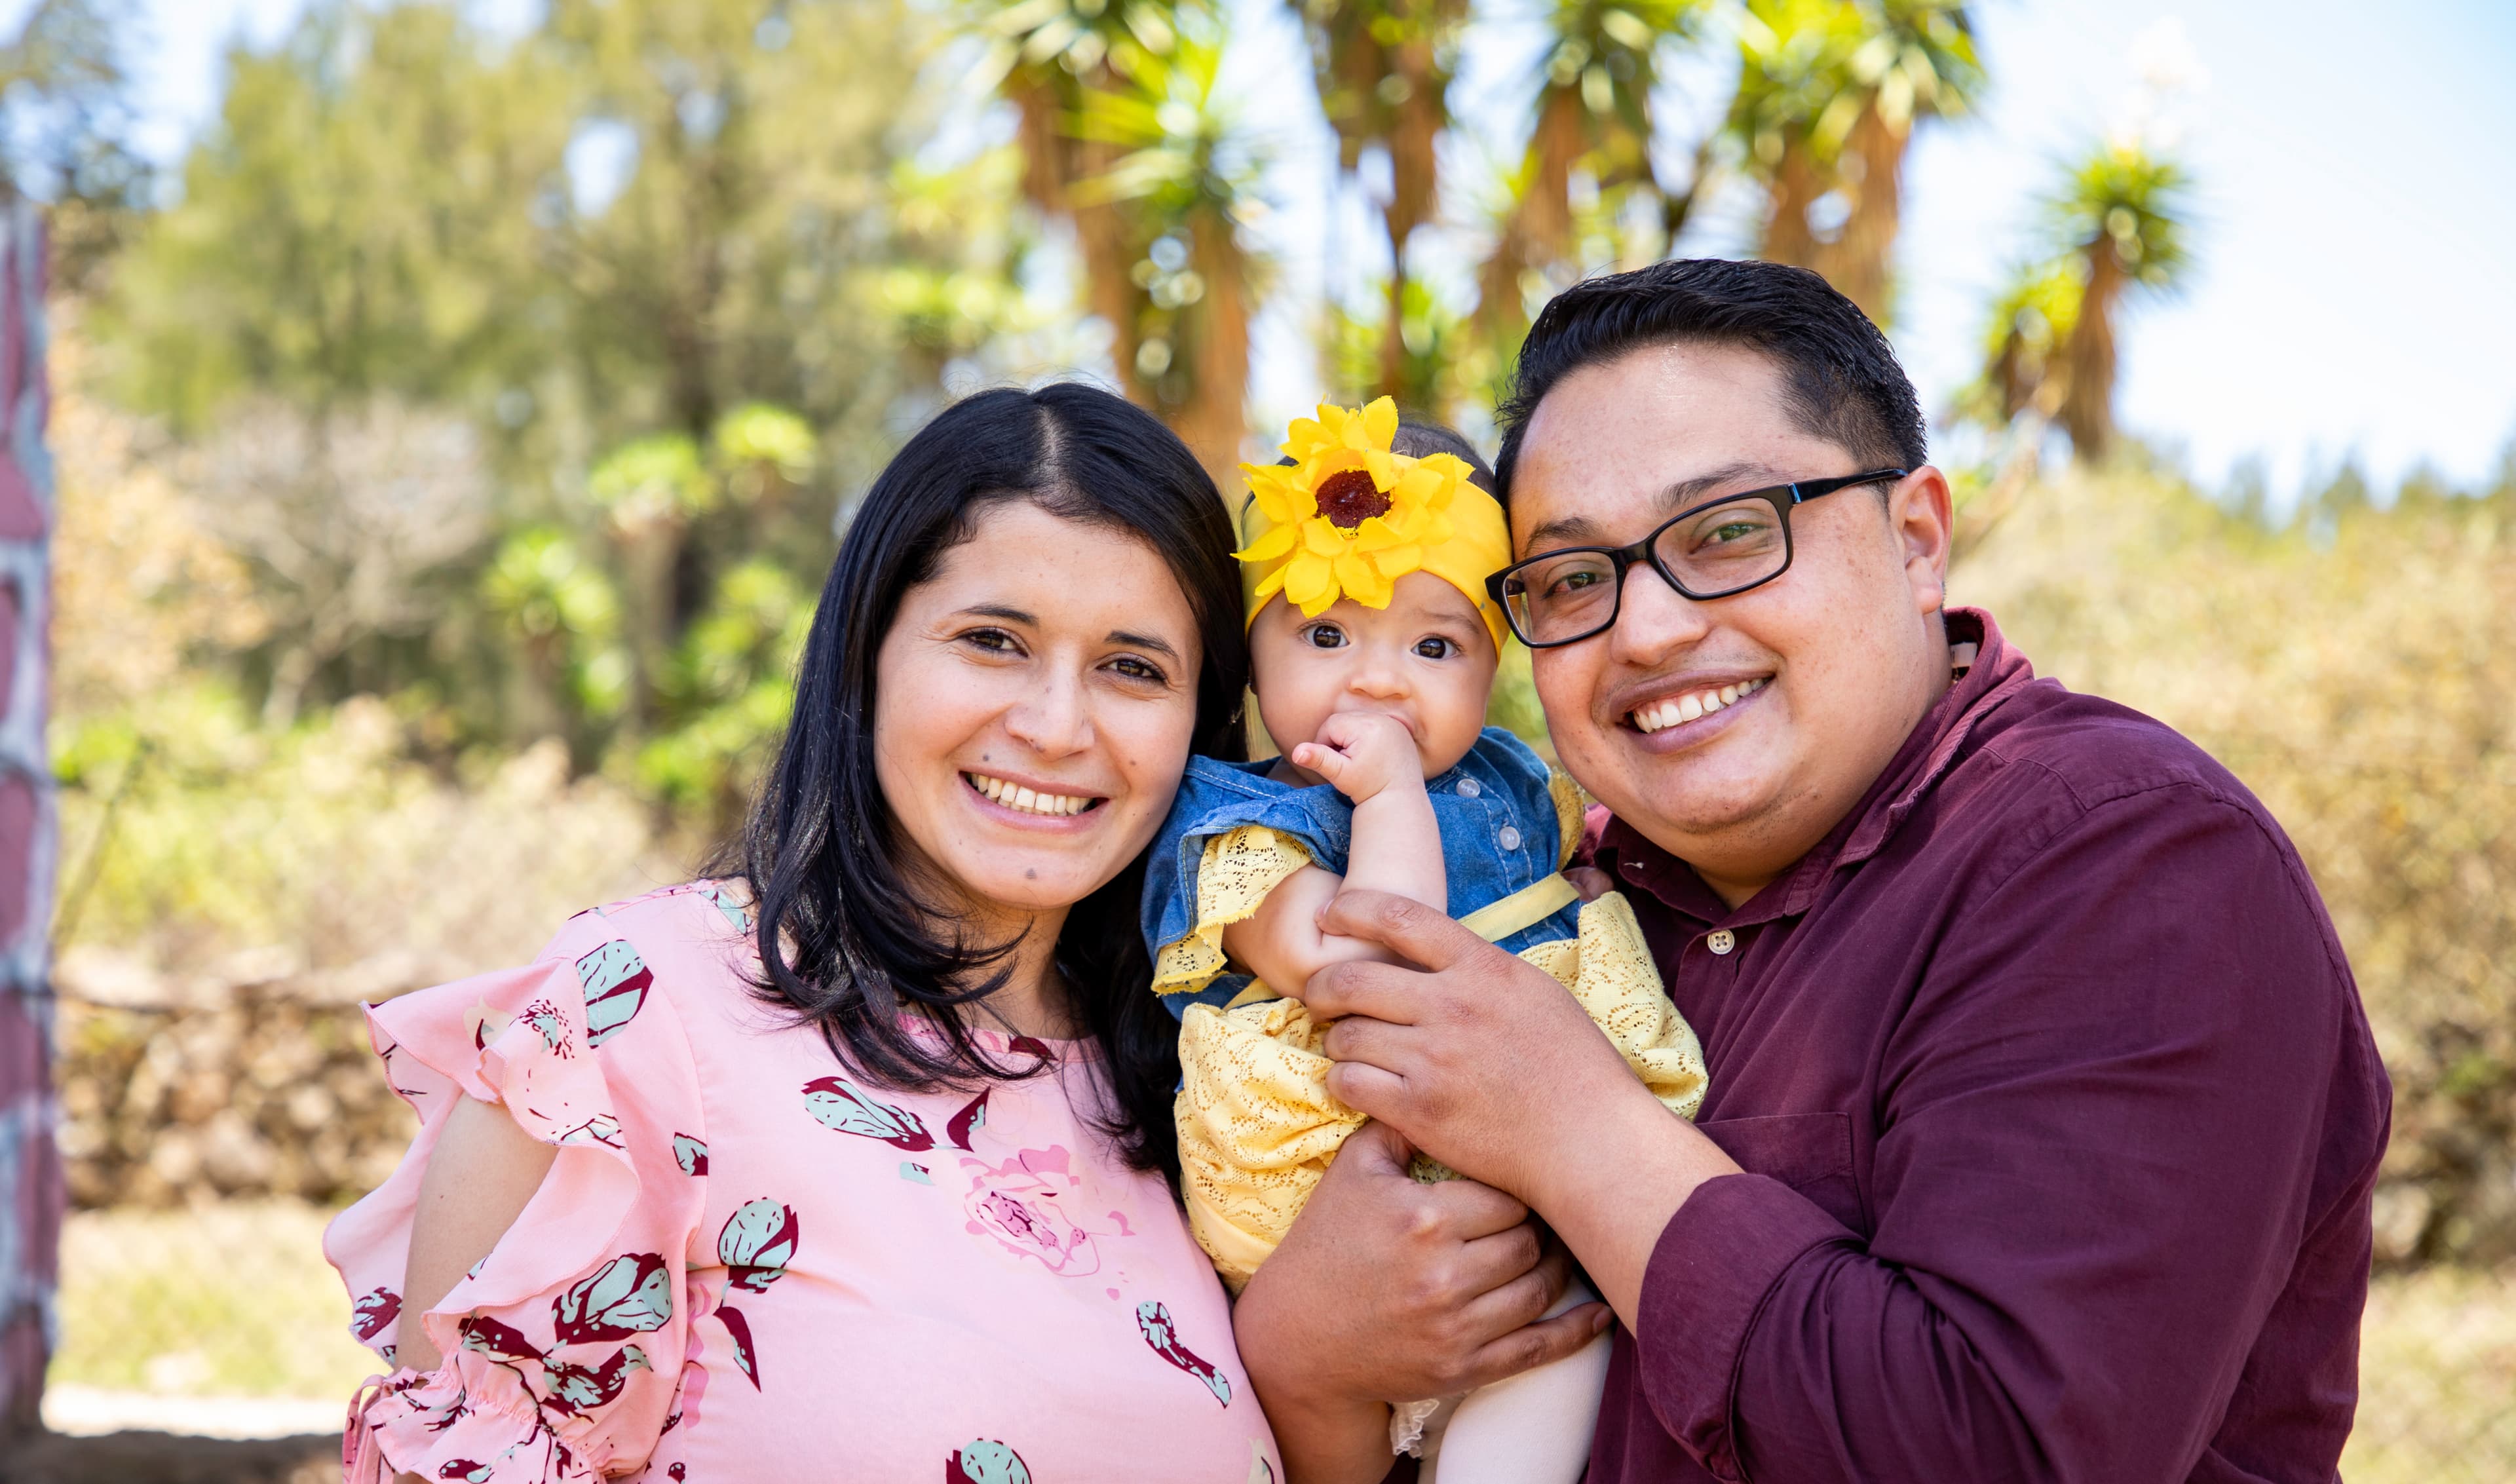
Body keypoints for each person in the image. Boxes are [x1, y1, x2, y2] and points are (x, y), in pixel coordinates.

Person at [1232, 258, 2390, 1483]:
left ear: (1917, 538)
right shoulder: (1557, 895)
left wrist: (1572, 1126)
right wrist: (1301, 1355)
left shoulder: (2124, 857)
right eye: (1573, 580)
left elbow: (1997, 1451)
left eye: (1731, 531)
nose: (1650, 629)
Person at [323, 383, 1287, 1481]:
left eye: (1133, 667)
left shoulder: (1222, 1079)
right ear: (867, 653)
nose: (1058, 725)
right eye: (993, 640)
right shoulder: (635, 1016)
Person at [1142, 401, 1705, 1481]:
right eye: (1325, 635)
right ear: (1251, 662)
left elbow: (1562, 884)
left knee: (1555, 1349)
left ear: (1492, 669)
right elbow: (1368, 968)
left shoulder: (1511, 777)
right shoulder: (1237, 824)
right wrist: (1391, 793)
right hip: (1335, 1200)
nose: (1379, 680)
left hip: (1529, 1206)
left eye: (1436, 645)